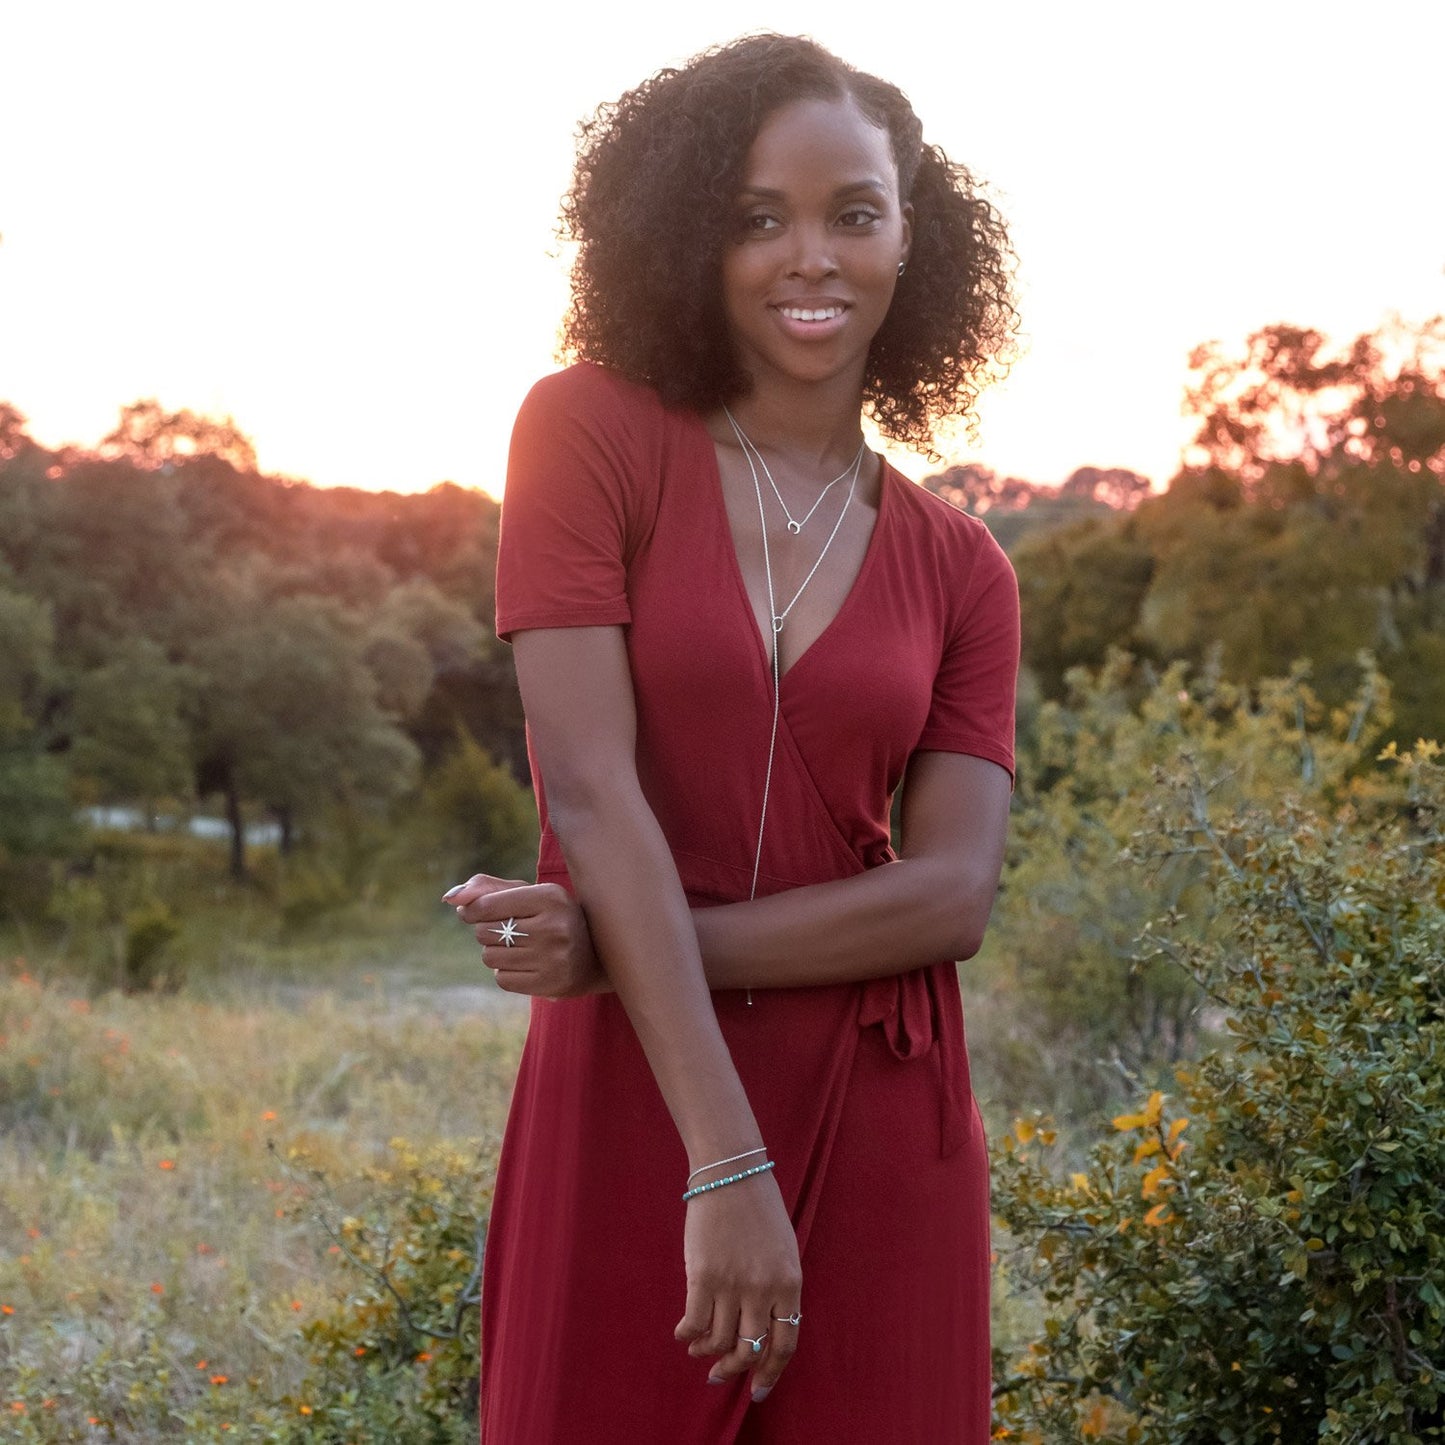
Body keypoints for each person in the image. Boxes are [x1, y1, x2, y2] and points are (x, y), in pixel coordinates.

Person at [444, 33, 1019, 1443]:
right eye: (757, 218)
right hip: (636, 1086)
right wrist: (724, 1159)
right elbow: (585, 781)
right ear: (688, 237)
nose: (807, 257)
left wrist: (610, 944)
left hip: (883, 1110)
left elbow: (952, 895)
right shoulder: (584, 433)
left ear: (913, 242)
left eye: (853, 214)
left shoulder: (965, 568)